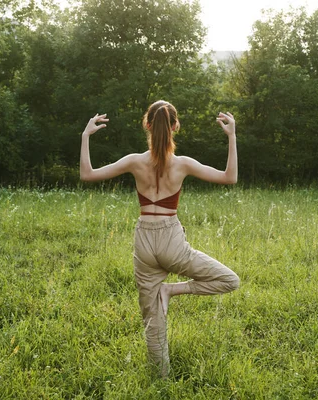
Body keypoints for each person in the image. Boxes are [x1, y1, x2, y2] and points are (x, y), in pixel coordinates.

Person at [79, 100, 240, 377]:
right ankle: (171, 290)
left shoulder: (133, 161)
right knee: (229, 280)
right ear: (175, 126)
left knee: (153, 323)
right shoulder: (183, 164)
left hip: (144, 241)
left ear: (147, 125)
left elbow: (87, 174)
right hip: (172, 242)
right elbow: (230, 177)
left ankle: (161, 380)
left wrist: (85, 137)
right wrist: (232, 137)